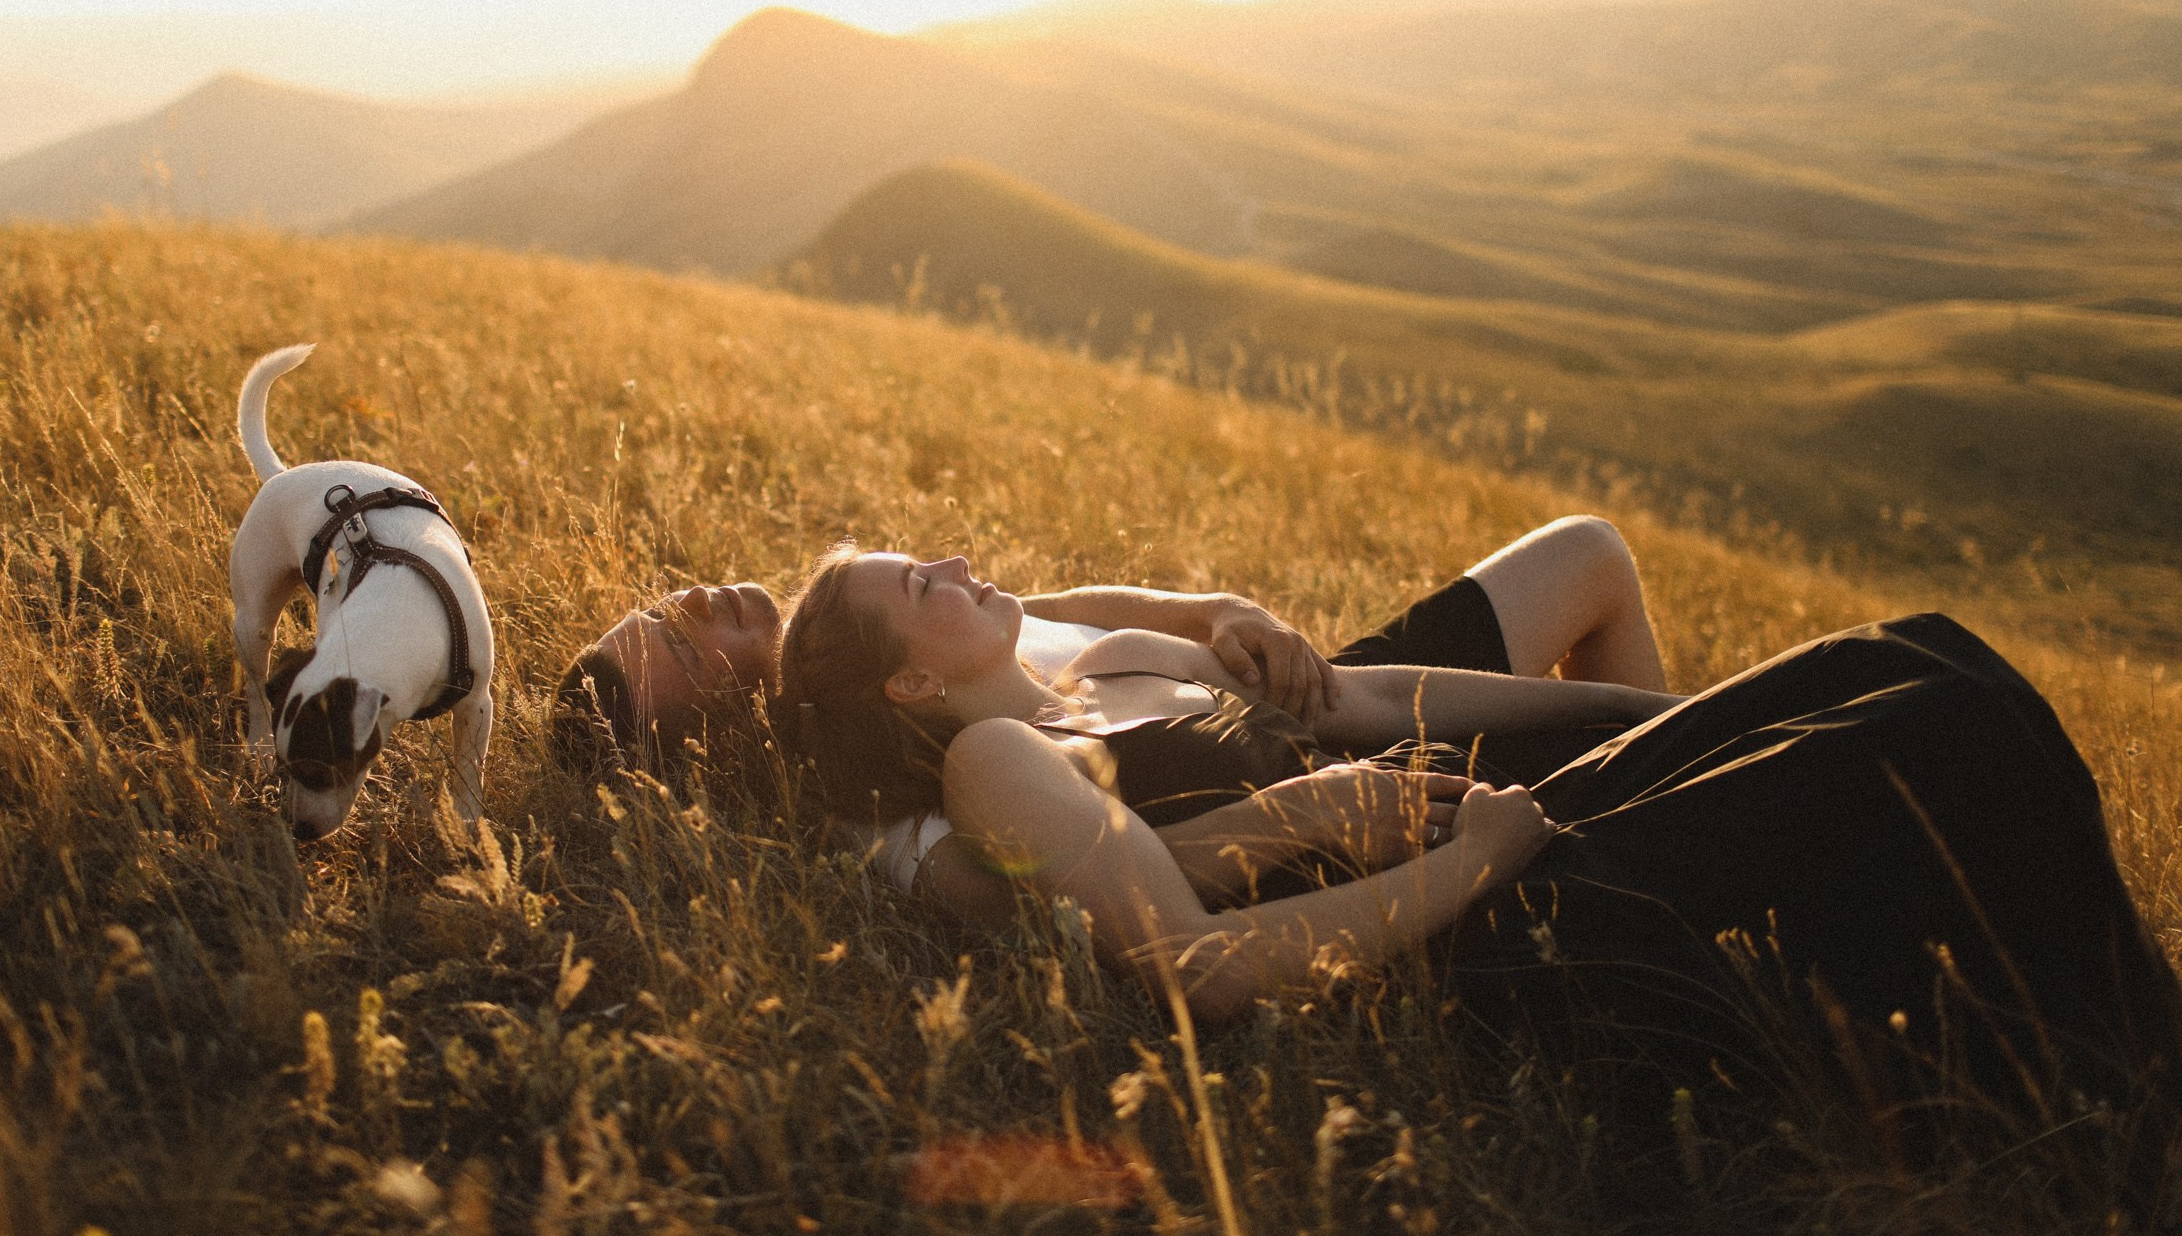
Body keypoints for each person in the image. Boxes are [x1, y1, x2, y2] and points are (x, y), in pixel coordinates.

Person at [774, 538, 2182, 1163]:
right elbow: (1200, 969)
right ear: (910, 682)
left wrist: (1645, 713)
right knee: (1938, 729)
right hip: (1479, 926)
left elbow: (1377, 700)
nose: (954, 564)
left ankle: (2064, 1043)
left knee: (1914, 651)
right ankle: (2132, 1080)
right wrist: (1483, 858)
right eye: (920, 585)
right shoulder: (993, 763)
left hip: (1516, 814)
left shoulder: (1118, 660)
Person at [558, 518, 1671, 891]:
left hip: (1281, 689)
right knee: (1644, 758)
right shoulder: (888, 795)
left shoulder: (909, 616)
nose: (692, 602)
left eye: (659, 608)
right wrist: (1298, 813)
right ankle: (1660, 767)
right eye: (683, 645)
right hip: (1272, 757)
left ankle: (1656, 736)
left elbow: (1096, 611)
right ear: (716, 731)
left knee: (1590, 555)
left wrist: (1226, 611)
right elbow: (1095, 899)